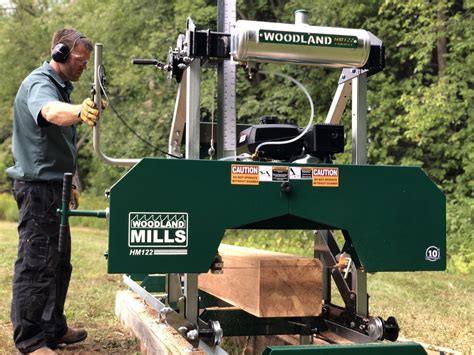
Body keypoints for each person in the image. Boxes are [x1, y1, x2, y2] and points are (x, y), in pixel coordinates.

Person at [7, 28, 100, 355]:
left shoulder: (61, 86)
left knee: (59, 263)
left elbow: (61, 144)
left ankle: (53, 327)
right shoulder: (41, 84)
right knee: (36, 262)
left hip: (55, 188)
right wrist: (78, 111)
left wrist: (70, 181)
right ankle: (30, 341)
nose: (82, 67)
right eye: (79, 60)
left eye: (87, 63)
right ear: (60, 53)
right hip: (37, 189)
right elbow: (49, 113)